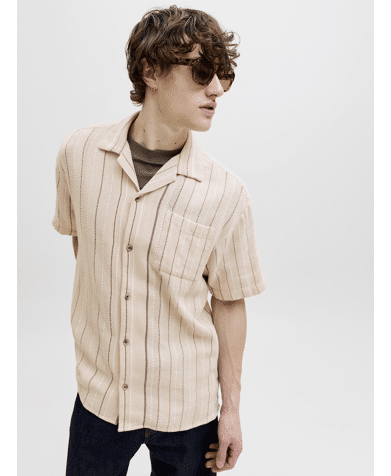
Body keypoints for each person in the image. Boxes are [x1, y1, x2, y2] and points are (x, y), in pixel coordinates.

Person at [52, 5, 266, 475]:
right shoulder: (78, 155)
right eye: (202, 72)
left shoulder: (226, 193)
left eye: (224, 75)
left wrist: (231, 409)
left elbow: (229, 301)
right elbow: (84, 247)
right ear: (150, 71)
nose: (217, 89)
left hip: (188, 409)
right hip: (100, 398)